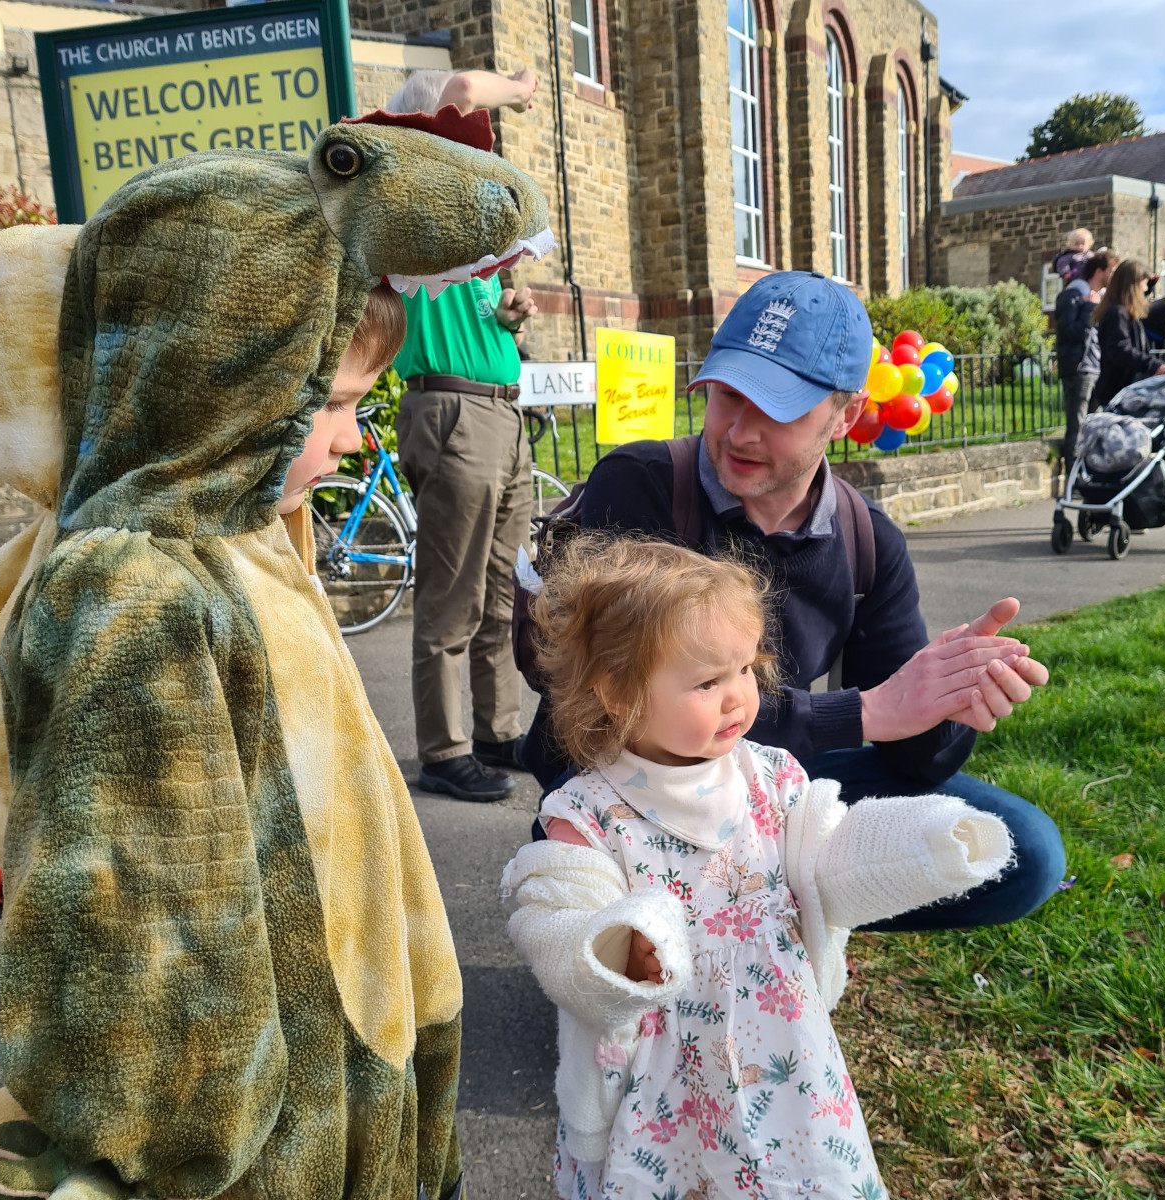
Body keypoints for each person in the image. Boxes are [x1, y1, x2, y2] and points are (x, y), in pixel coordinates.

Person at [0, 109, 553, 1197]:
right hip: (267, 1142)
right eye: (330, 404)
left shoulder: (248, 538)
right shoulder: (134, 592)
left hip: (354, 1055)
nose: (352, 437)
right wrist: (182, 1140)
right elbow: (135, 930)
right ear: (226, 384)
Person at [523, 270, 1065, 931]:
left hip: (763, 775)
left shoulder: (868, 541)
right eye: (725, 395)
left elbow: (912, 759)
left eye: (776, 409)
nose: (738, 432)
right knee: (624, 922)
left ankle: (767, 916)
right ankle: (669, 921)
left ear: (848, 415)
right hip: (625, 782)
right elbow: (606, 708)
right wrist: (862, 712)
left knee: (1023, 853)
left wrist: (949, 701)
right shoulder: (642, 487)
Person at [502, 536, 1013, 1198]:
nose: (737, 696)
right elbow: (554, 915)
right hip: (662, 1079)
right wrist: (615, 948)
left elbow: (828, 866)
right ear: (617, 691)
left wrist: (930, 843)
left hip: (785, 1054)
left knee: (802, 1171)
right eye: (707, 681)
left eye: (746, 668)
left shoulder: (771, 778)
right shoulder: (590, 812)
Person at [388, 68, 542, 802]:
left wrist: (510, 313)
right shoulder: (413, 203)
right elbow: (452, 83)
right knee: (453, 598)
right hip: (454, 413)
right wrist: (514, 87)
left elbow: (480, 314)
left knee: (501, 592)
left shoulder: (470, 224)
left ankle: (495, 730)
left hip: (499, 411)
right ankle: (444, 750)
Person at [1055, 249, 1118, 471]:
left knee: (1097, 425)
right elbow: (1068, 332)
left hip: (1095, 368)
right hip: (1079, 369)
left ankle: (1092, 473)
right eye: (1112, 271)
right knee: (1078, 426)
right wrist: (1089, 308)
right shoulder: (1073, 294)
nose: (1114, 275)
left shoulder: (1100, 298)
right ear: (1099, 271)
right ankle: (1074, 480)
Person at [1092, 258, 1165, 410]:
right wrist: (1151, 364)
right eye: (1144, 284)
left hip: (1123, 390)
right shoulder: (1117, 313)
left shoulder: (1123, 312)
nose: (1145, 289)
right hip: (1119, 391)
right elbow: (1120, 349)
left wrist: (1149, 283)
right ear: (1133, 285)